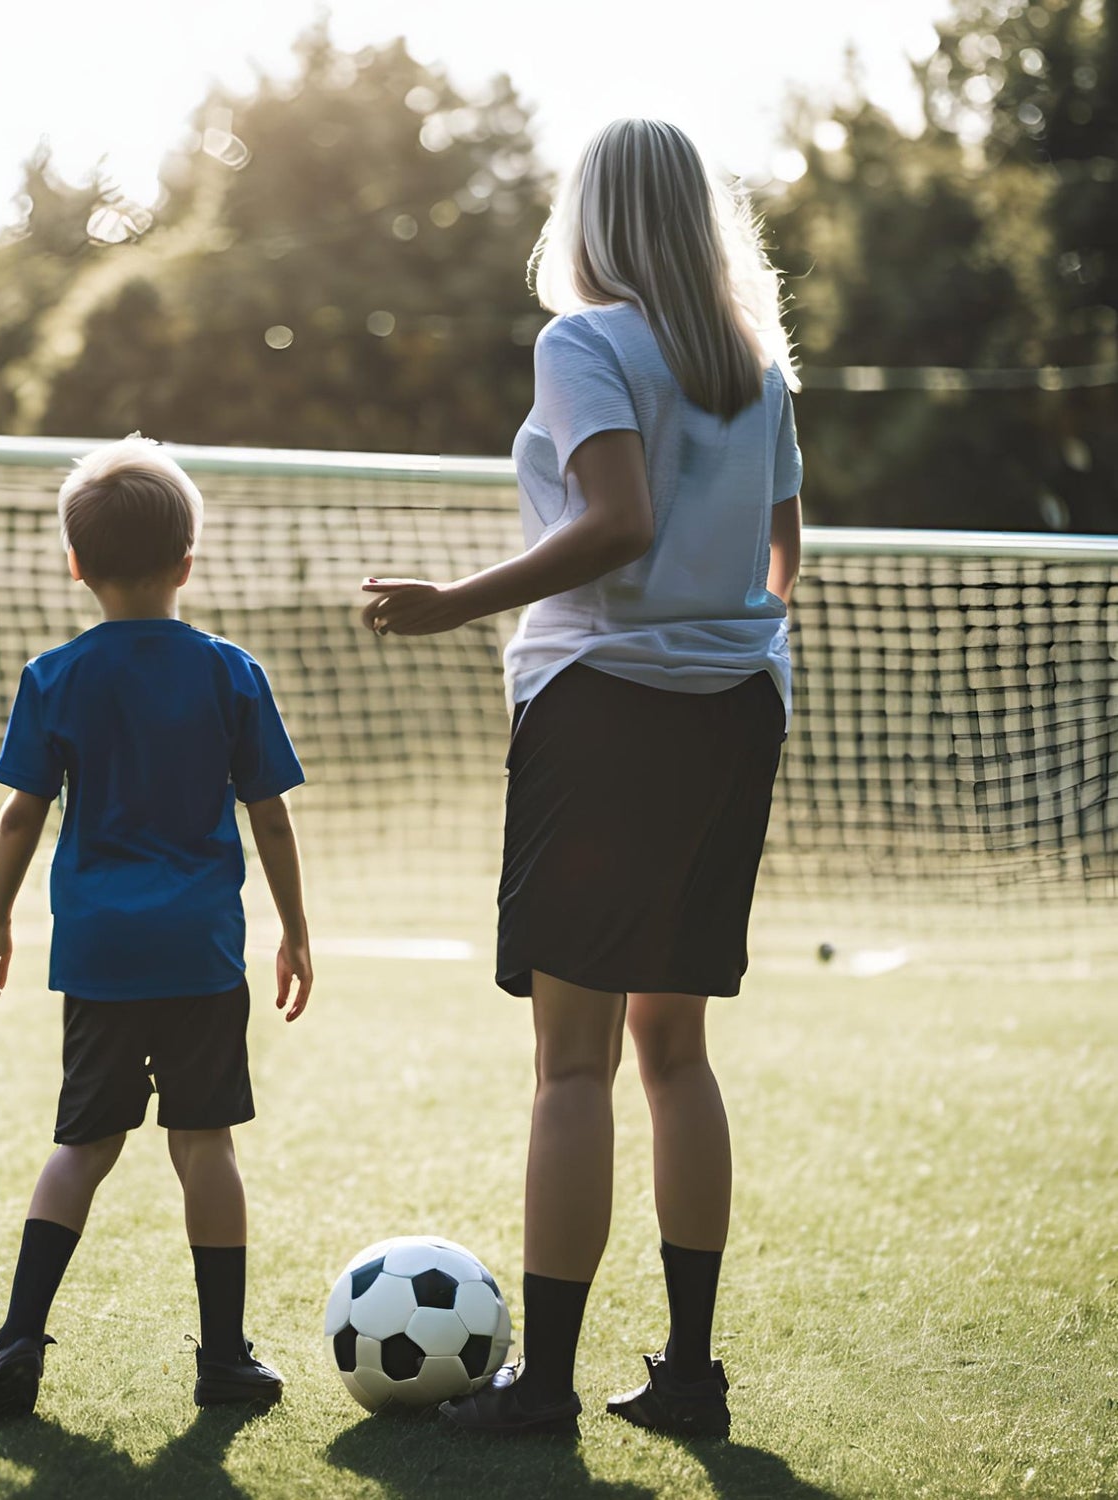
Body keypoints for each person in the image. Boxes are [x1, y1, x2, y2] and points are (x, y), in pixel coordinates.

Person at [362, 117, 803, 1441]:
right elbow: (784, 560)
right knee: (675, 1049)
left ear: (591, 217)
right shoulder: (761, 365)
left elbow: (618, 522)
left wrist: (455, 604)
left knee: (570, 1064)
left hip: (607, 711)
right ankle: (690, 1376)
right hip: (737, 713)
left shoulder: (584, 341)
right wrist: (710, 627)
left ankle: (543, 1388)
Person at [0, 438, 312, 1422]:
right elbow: (270, 814)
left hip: (99, 954)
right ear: (188, 561)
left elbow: (22, 812)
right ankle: (226, 1359)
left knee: (82, 1144)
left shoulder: (54, 675)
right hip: (199, 951)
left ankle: (18, 1343)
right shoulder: (230, 672)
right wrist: (295, 930)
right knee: (205, 1146)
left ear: (77, 564)